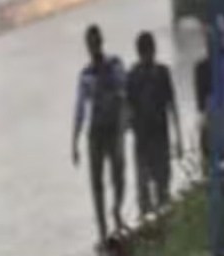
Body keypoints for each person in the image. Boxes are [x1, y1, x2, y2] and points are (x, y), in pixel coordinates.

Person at [72, 24, 127, 242]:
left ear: (100, 42)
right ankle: (103, 230)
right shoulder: (85, 75)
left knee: (119, 176)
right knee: (97, 183)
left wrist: (126, 123)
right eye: (90, 43)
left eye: (95, 42)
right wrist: (74, 141)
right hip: (96, 132)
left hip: (113, 129)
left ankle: (116, 210)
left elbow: (125, 94)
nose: (93, 47)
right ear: (87, 46)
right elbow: (79, 109)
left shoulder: (115, 66)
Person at [126, 32, 182, 216]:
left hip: (157, 139)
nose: (149, 56)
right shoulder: (133, 77)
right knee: (145, 192)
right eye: (146, 52)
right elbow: (128, 109)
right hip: (145, 142)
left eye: (149, 52)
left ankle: (161, 226)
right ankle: (151, 227)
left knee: (162, 186)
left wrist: (178, 138)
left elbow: (172, 106)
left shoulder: (161, 73)